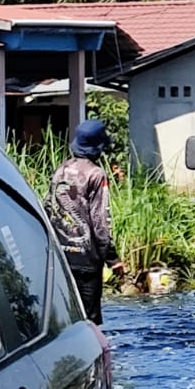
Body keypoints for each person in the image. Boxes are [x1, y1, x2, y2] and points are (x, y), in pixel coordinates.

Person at [47, 119, 124, 324]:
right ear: (98, 147)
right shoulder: (96, 174)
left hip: (61, 256)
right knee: (90, 321)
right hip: (87, 259)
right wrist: (112, 259)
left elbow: (49, 208)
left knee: (67, 318)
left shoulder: (61, 170)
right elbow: (100, 222)